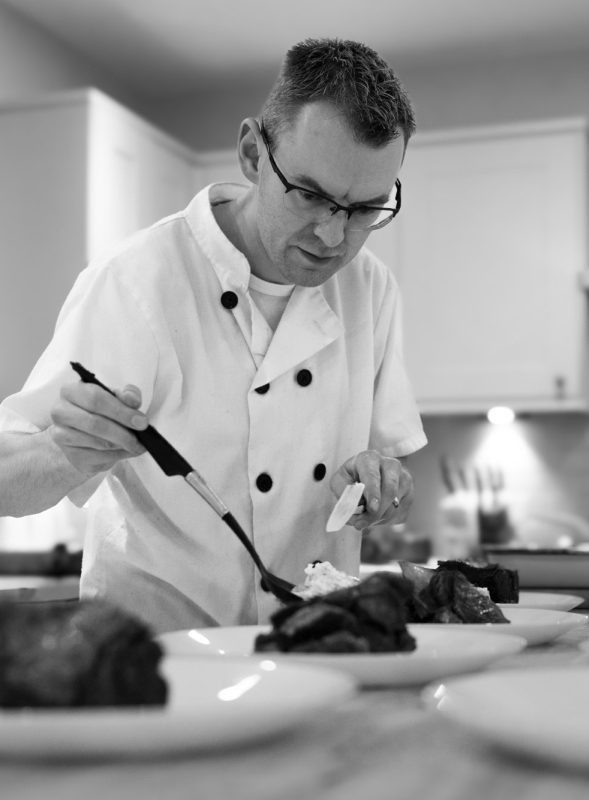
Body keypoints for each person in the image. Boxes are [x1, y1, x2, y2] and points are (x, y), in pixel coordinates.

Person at [0, 38, 427, 633]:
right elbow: (6, 485)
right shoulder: (140, 279)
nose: (334, 236)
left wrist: (387, 488)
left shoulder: (370, 288)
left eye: (365, 209)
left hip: (313, 648)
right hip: (158, 657)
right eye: (311, 195)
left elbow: (394, 476)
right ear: (253, 153)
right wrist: (64, 451)